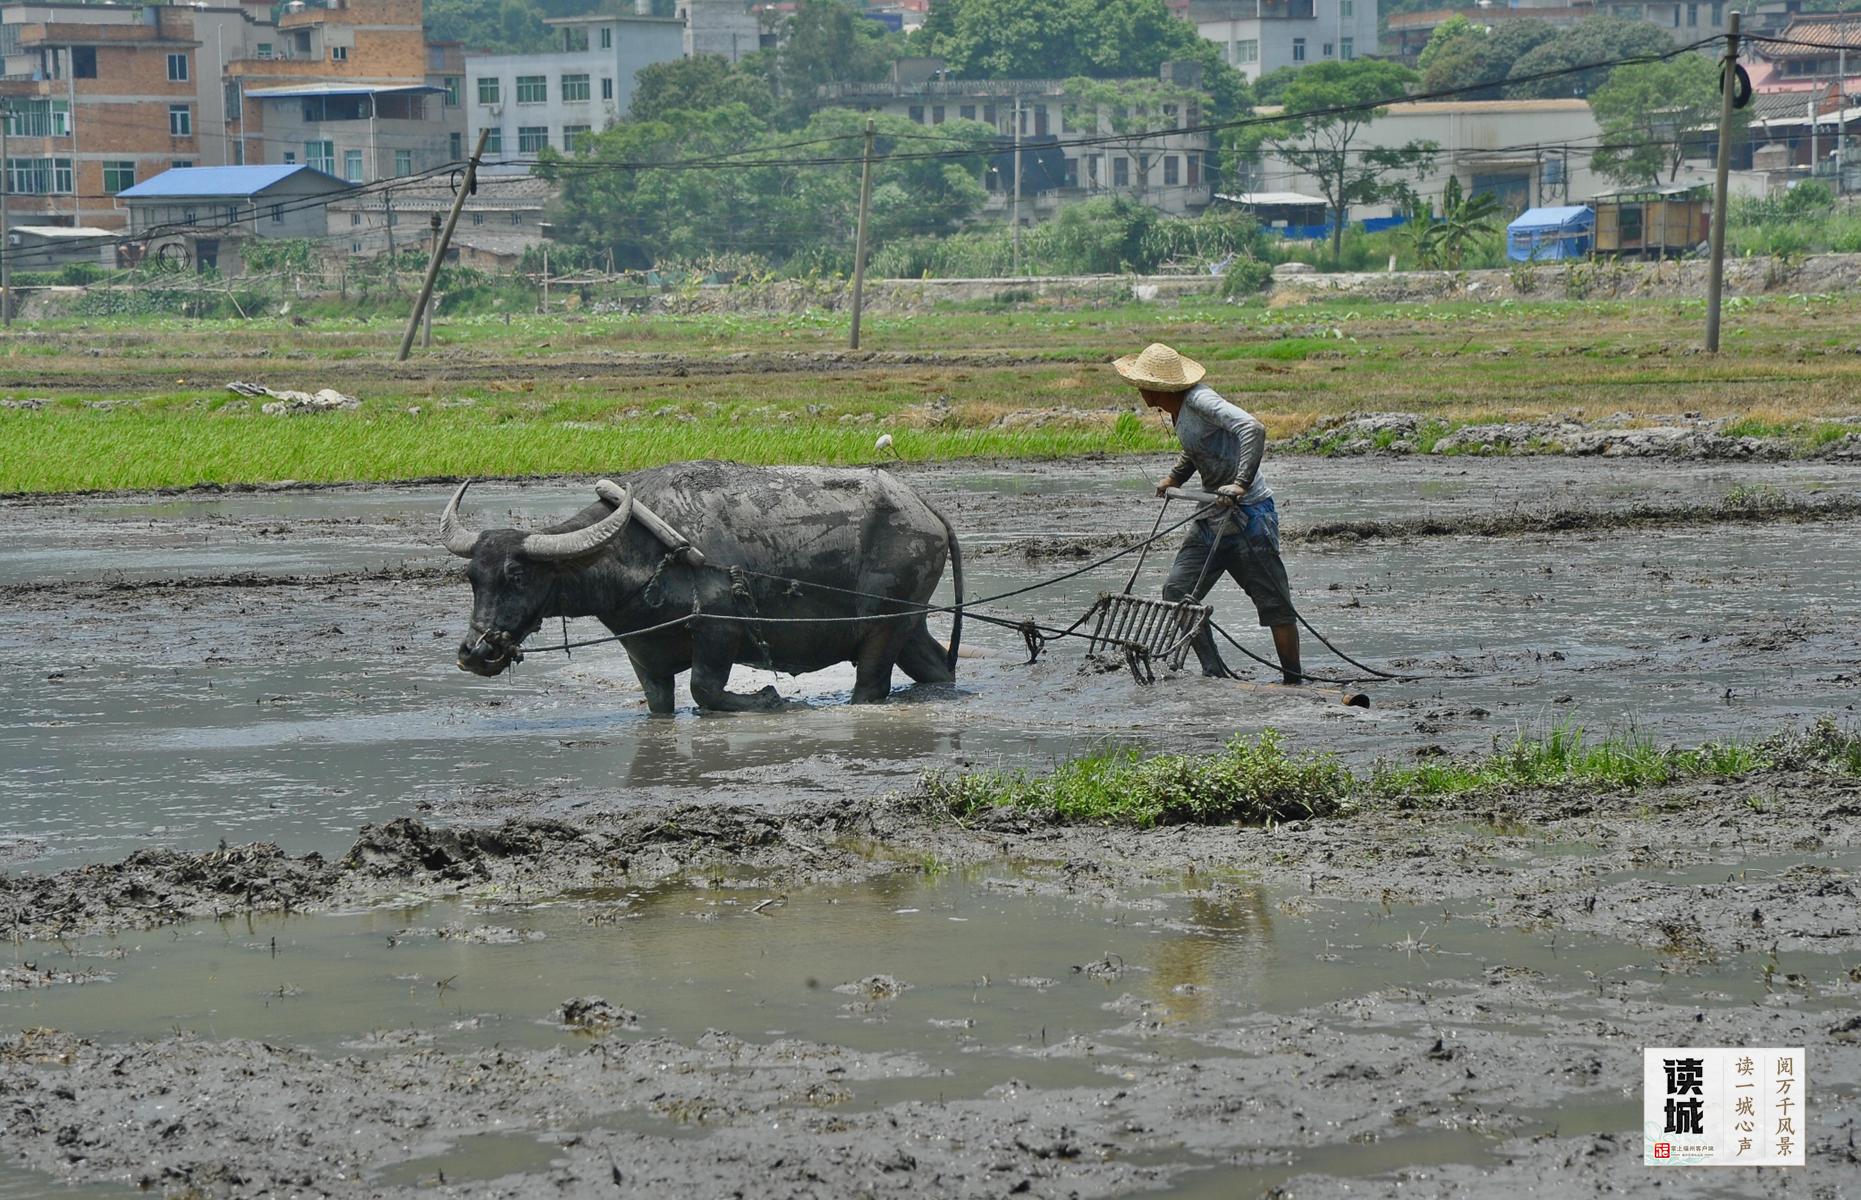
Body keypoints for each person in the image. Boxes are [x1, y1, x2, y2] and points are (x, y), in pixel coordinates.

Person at [1112, 341, 1303, 684]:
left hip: (1248, 517)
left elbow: (1252, 428)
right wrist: (1176, 477)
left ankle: (1293, 680)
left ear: (1158, 387)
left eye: (1142, 384)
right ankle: (1214, 673)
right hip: (1211, 516)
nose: (1139, 391)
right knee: (1177, 591)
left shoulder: (1201, 401)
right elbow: (1200, 447)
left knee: (1276, 606)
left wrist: (1241, 483)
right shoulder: (1177, 410)